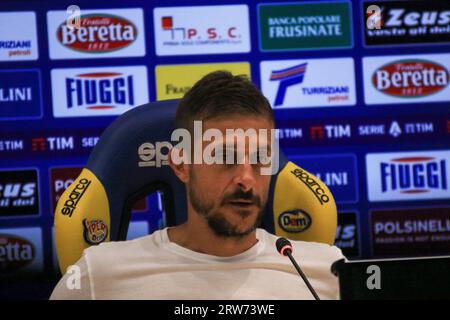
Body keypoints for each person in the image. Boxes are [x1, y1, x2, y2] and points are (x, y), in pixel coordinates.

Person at [50, 71, 345, 300]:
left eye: (260, 157)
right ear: (181, 164)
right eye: (224, 156)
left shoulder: (328, 273)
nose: (246, 176)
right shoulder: (97, 276)